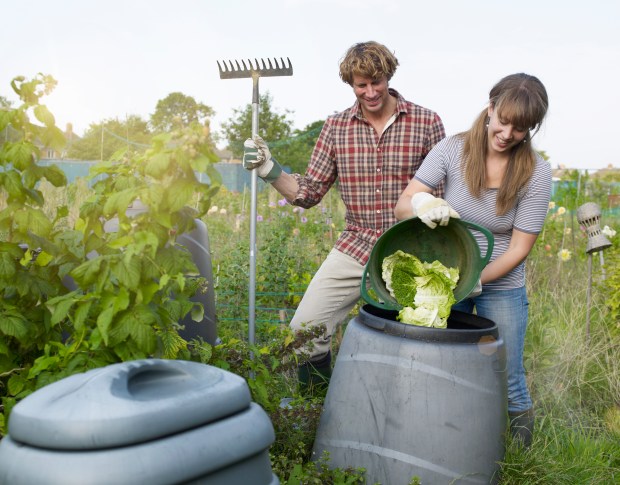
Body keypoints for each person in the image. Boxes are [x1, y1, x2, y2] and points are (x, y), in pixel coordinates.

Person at [243, 41, 445, 396]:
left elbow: (439, 196)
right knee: (305, 330)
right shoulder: (336, 127)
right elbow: (307, 192)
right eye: (360, 85)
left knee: (415, 344)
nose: (369, 92)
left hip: (413, 246)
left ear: (389, 76)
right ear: (351, 84)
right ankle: (317, 412)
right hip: (358, 243)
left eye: (376, 82)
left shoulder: (426, 122)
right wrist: (269, 169)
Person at [394, 73, 551, 447]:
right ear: (490, 106)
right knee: (437, 363)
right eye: (504, 120)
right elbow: (403, 204)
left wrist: (476, 280)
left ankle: (520, 456)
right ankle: (434, 442)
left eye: (521, 128)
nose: (508, 133)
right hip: (446, 277)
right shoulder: (453, 149)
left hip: (502, 285)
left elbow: (519, 247)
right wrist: (422, 203)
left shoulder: (537, 171)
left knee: (508, 372)